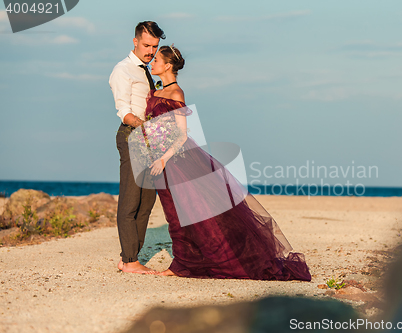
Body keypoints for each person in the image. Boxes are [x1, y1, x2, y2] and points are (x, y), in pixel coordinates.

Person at [130, 45, 311, 281]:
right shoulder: (155, 91)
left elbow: (182, 134)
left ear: (167, 66)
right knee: (173, 216)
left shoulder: (176, 93)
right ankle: (183, 263)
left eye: (156, 60)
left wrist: (164, 159)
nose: (152, 63)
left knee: (188, 213)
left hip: (176, 161)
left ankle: (184, 265)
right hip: (159, 162)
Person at [109, 21, 165, 274]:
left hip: (149, 141)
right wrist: (146, 126)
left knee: (147, 202)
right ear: (135, 41)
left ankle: (130, 258)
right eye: (146, 45)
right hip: (132, 137)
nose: (150, 51)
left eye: (154, 46)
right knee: (131, 201)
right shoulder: (123, 70)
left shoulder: (147, 72)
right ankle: (129, 260)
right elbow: (125, 113)